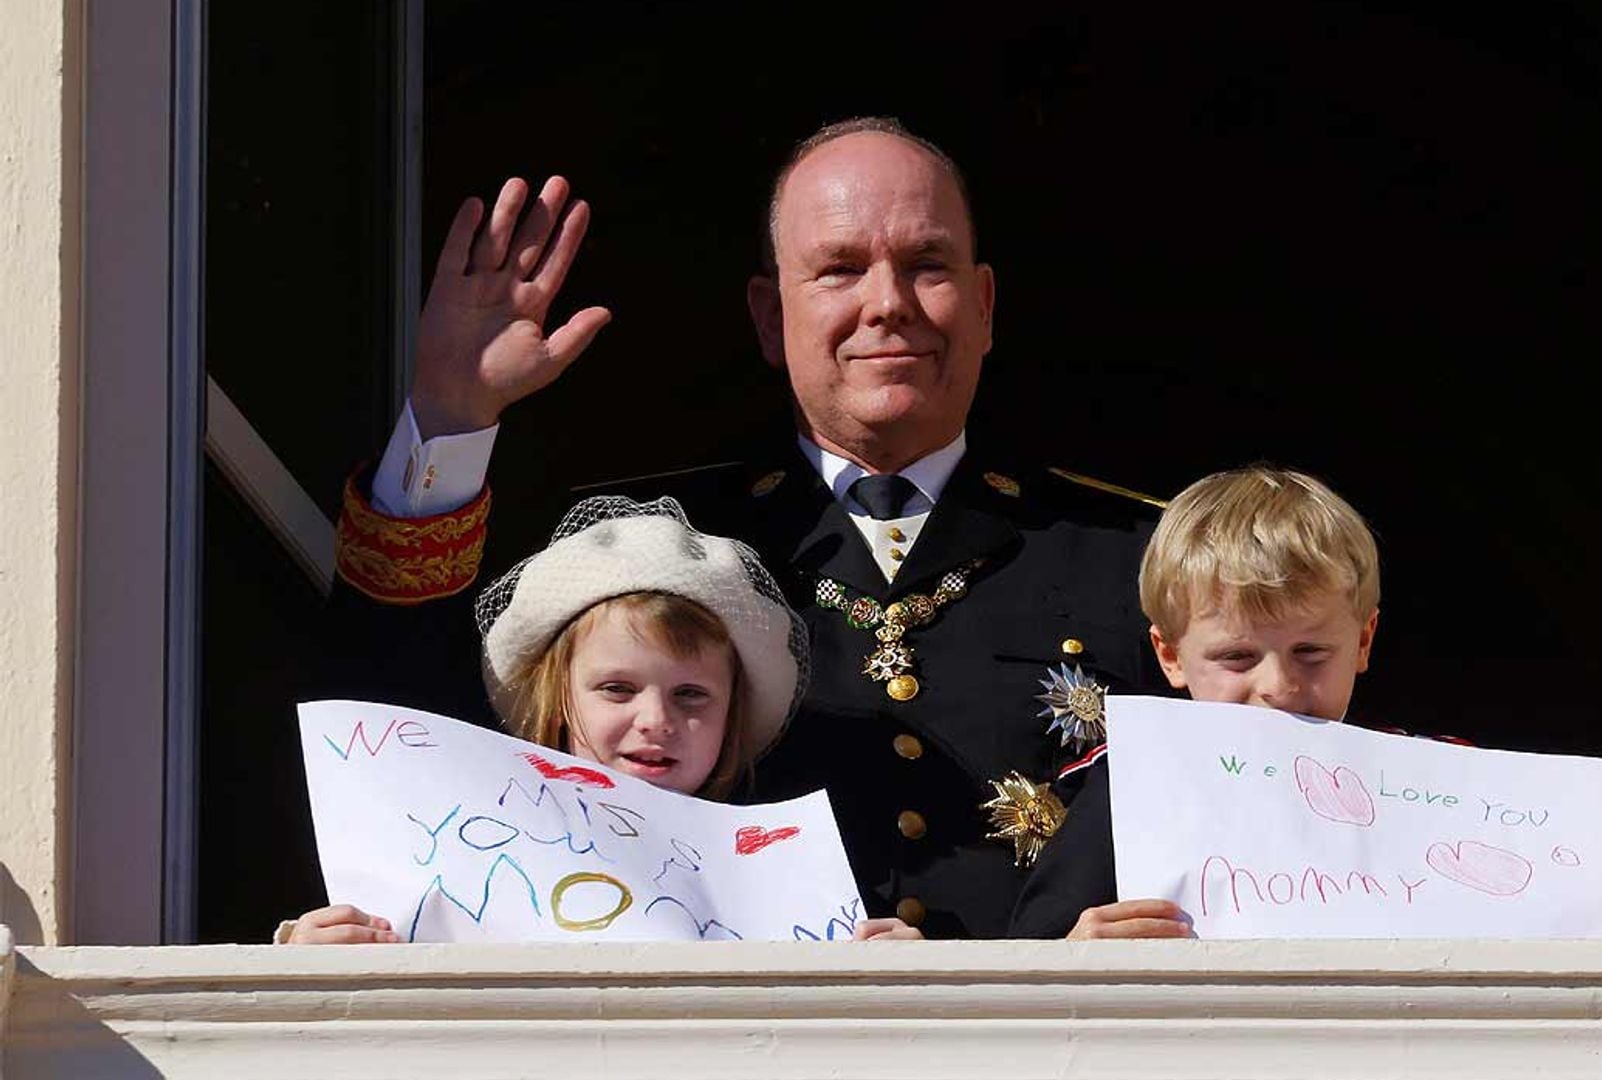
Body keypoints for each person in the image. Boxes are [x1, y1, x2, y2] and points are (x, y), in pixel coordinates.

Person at [327, 117, 1166, 940]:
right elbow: (402, 731)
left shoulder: (1137, 557)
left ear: (983, 306)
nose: (888, 303)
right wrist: (450, 417)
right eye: (840, 269)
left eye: (927, 265)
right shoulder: (643, 543)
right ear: (769, 317)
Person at [1005, 465, 1602, 940]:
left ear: (1364, 640)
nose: (1276, 686)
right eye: (1236, 657)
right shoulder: (1126, 786)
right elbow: (1014, 982)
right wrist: (1071, 952)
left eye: (1312, 653)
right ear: (1169, 656)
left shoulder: (1447, 778)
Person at [289, 496, 920, 943]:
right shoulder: (451, 846)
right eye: (617, 688)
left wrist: (894, 982)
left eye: (692, 696)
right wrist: (312, 963)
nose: (656, 719)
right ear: (558, 700)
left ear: (733, 715)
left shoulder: (795, 881)